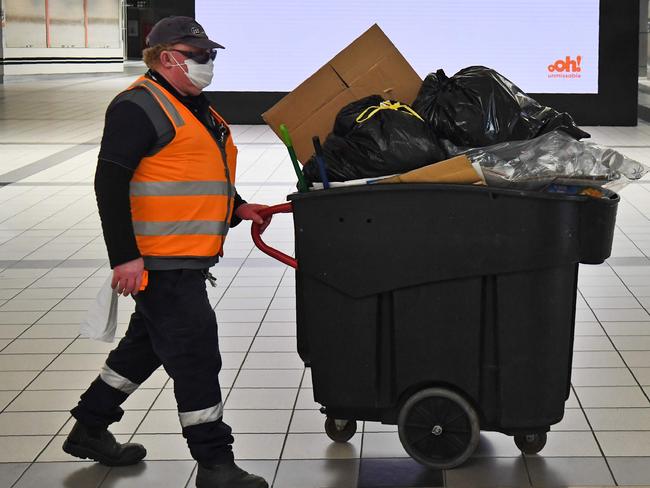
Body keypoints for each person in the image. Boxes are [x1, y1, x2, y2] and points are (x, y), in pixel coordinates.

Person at [64, 16, 270, 488]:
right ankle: (216, 464)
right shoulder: (138, 106)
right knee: (196, 353)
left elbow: (195, 172)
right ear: (165, 57)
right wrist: (125, 257)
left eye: (210, 54)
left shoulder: (195, 105)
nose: (206, 62)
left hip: (185, 255)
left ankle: (90, 427)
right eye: (196, 54)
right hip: (160, 260)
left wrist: (238, 208)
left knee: (145, 347)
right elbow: (109, 182)